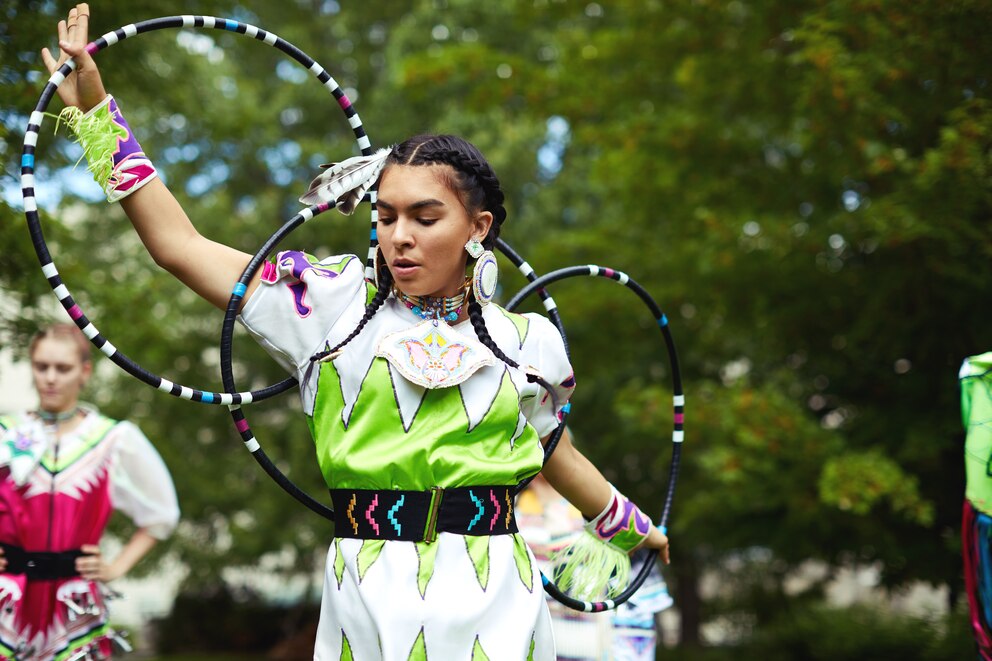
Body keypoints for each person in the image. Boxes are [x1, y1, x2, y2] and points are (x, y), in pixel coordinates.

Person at [42, 6, 669, 659]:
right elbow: (178, 245)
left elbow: (556, 453)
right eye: (388, 214)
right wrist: (94, 116)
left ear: (479, 227)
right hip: (368, 594)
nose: (401, 235)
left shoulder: (530, 341)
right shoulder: (328, 305)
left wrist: (630, 528)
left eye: (426, 217)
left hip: (497, 600)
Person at [0, 323, 180, 661]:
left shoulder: (111, 440)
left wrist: (115, 567)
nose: (50, 377)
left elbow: (163, 513)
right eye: (42, 366)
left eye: (63, 368)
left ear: (85, 371)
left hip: (75, 604)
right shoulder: (5, 432)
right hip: (8, 600)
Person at [518, 474, 673, 661]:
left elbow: (636, 598)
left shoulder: (596, 504)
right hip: (532, 640)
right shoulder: (508, 508)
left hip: (594, 641)